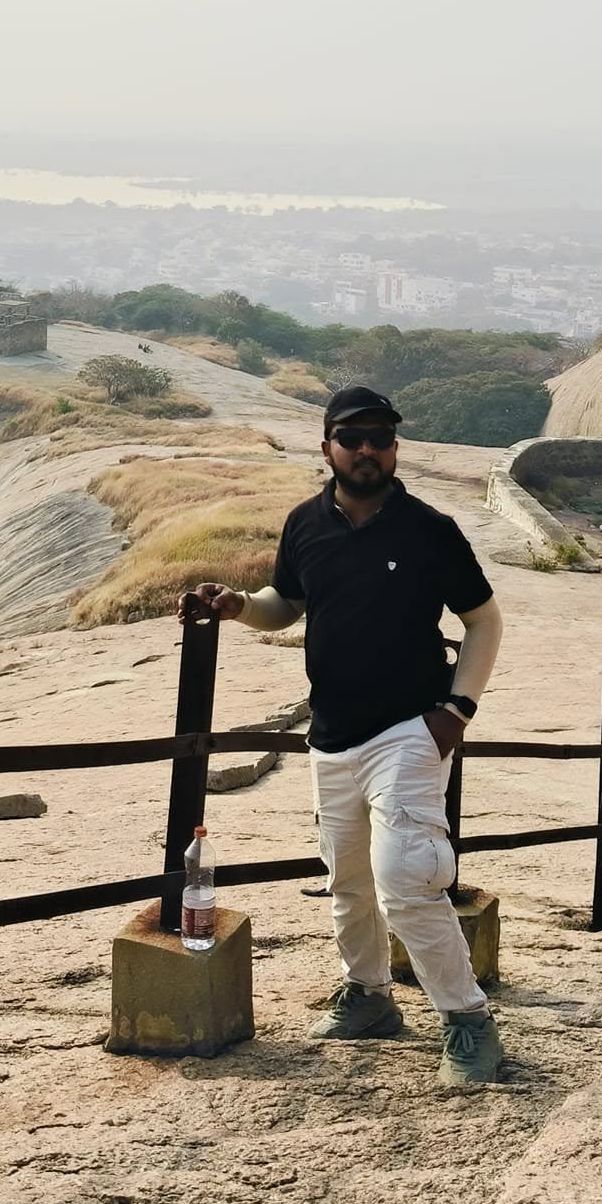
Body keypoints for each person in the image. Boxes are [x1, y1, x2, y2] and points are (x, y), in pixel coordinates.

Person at [180, 385, 505, 1085]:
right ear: (326, 446)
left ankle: (468, 1020)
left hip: (409, 731)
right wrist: (239, 607)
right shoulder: (305, 524)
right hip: (331, 735)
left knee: (408, 875)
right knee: (348, 882)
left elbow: (484, 621)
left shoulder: (430, 529)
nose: (367, 450)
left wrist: (457, 712)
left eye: (380, 438)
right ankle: (368, 997)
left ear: (395, 448)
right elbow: (288, 603)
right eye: (352, 438)